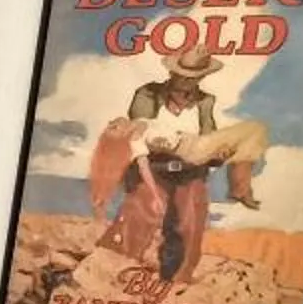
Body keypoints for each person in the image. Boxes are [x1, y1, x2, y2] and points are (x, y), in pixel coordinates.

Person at [89, 44, 270, 285]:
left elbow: (208, 134)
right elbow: (138, 129)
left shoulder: (205, 101)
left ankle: (177, 283)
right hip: (155, 169)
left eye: (194, 77)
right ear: (172, 72)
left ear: (202, 77)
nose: (186, 81)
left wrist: (219, 153)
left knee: (189, 226)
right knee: (138, 219)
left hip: (192, 169)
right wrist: (153, 142)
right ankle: (113, 276)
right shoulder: (148, 93)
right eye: (182, 74)